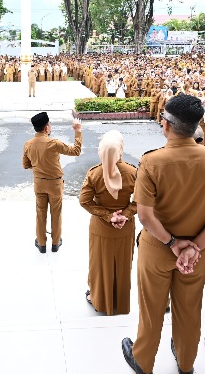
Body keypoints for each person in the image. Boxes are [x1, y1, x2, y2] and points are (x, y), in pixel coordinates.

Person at [121, 95, 205, 374]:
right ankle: (186, 363)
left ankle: (144, 361)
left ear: (166, 124)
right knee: (189, 310)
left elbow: (146, 215)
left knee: (152, 308)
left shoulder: (152, 161)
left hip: (158, 247)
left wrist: (173, 243)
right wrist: (194, 246)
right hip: (198, 250)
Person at [79, 130, 137, 315]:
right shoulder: (133, 172)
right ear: (120, 149)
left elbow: (84, 201)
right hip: (125, 227)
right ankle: (120, 303)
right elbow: (142, 200)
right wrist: (125, 214)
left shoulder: (95, 173)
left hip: (101, 228)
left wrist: (107, 215)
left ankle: (98, 299)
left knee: (99, 264)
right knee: (123, 264)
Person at [23, 112, 82, 253]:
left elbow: (26, 165)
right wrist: (78, 131)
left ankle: (42, 243)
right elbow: (76, 151)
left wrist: (39, 165)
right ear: (46, 128)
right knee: (56, 213)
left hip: (39, 183)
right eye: (49, 124)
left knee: (40, 212)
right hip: (55, 184)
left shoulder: (28, 144)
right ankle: (55, 242)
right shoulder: (53, 143)